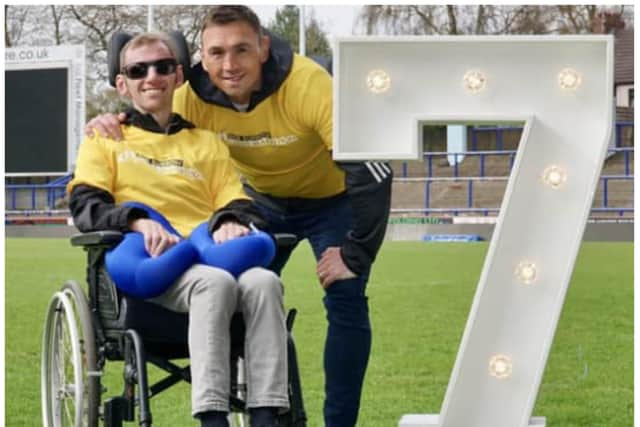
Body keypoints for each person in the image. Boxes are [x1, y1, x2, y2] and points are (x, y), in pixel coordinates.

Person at [86, 6, 392, 426]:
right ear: (201, 58)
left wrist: (355, 253)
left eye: (241, 50)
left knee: (347, 298)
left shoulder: (307, 85)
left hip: (331, 197)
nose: (229, 65)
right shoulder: (192, 94)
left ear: (264, 47)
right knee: (250, 288)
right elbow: (151, 118)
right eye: (216, 53)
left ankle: (338, 422)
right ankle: (253, 412)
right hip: (261, 200)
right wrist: (112, 119)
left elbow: (371, 168)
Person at [71, 32, 288, 427]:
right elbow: (86, 207)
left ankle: (267, 412)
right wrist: (137, 221)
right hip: (153, 267)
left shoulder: (205, 142)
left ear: (178, 77)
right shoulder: (103, 139)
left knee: (264, 282)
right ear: (123, 84)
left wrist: (230, 223)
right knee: (213, 283)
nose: (152, 77)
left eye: (163, 67)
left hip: (211, 250)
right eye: (138, 70)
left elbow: (233, 199)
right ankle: (212, 416)